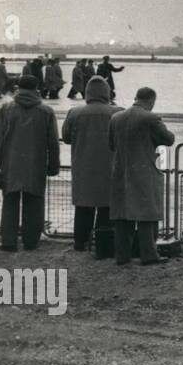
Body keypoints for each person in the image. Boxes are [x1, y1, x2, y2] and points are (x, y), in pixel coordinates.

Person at [0, 74, 60, 251]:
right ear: (36, 89)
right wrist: (53, 165)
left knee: (10, 203)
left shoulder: (5, 109)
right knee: (34, 203)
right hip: (36, 164)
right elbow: (53, 142)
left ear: (18, 88)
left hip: (11, 164)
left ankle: (8, 241)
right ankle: (31, 241)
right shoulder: (46, 111)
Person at [108, 87, 175, 265]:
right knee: (147, 214)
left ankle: (122, 256)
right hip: (145, 171)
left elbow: (111, 144)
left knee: (122, 215)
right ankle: (149, 255)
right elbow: (168, 139)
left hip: (120, 171)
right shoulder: (150, 118)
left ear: (136, 97)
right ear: (151, 100)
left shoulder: (116, 117)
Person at [62, 75, 122, 250]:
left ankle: (80, 243)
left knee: (83, 207)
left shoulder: (74, 112)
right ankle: (103, 243)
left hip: (83, 167)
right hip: (109, 167)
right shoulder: (117, 112)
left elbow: (66, 137)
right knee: (106, 207)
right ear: (107, 92)